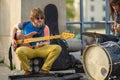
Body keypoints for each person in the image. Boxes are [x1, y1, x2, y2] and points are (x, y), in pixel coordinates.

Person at [11, 7, 62, 75]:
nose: (40, 20)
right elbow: (14, 27)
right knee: (19, 51)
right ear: (32, 19)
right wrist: (12, 39)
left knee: (57, 48)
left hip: (40, 49)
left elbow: (48, 42)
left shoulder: (45, 28)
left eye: (41, 18)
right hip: (28, 49)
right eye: (37, 18)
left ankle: (44, 69)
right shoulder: (25, 25)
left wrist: (43, 44)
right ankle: (27, 70)